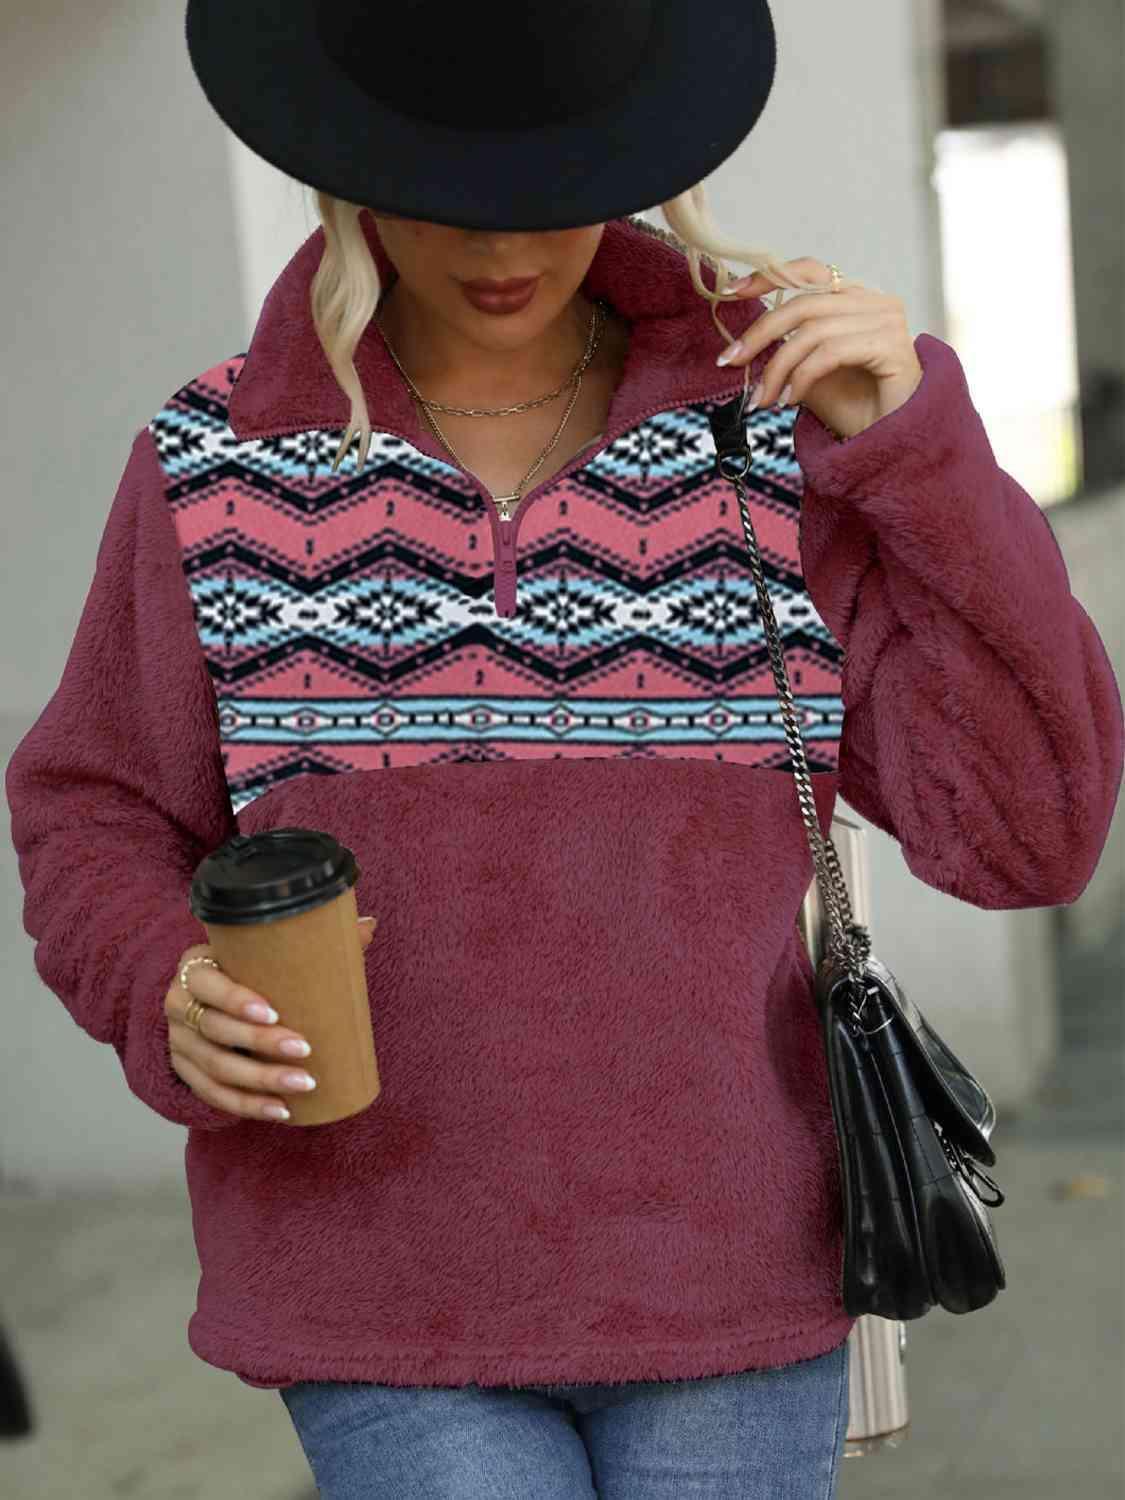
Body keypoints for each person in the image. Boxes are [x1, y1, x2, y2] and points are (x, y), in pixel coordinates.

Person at [7, 3, 1123, 1497]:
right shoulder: (217, 460)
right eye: (447, 193)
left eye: (558, 185)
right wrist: (163, 979)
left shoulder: (766, 442)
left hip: (730, 1278)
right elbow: (92, 808)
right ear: (343, 171)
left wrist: (919, 448)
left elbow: (1025, 830)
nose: (502, 244)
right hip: (374, 1287)